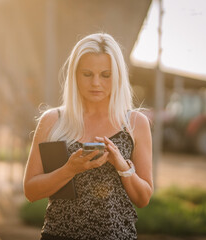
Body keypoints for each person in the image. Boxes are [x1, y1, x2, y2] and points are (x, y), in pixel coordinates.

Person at [23, 33, 153, 240]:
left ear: (118, 75)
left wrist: (122, 165)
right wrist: (70, 169)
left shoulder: (135, 123)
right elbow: (31, 191)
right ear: (75, 75)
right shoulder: (52, 121)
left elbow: (143, 198)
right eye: (87, 74)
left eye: (105, 75)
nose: (96, 83)